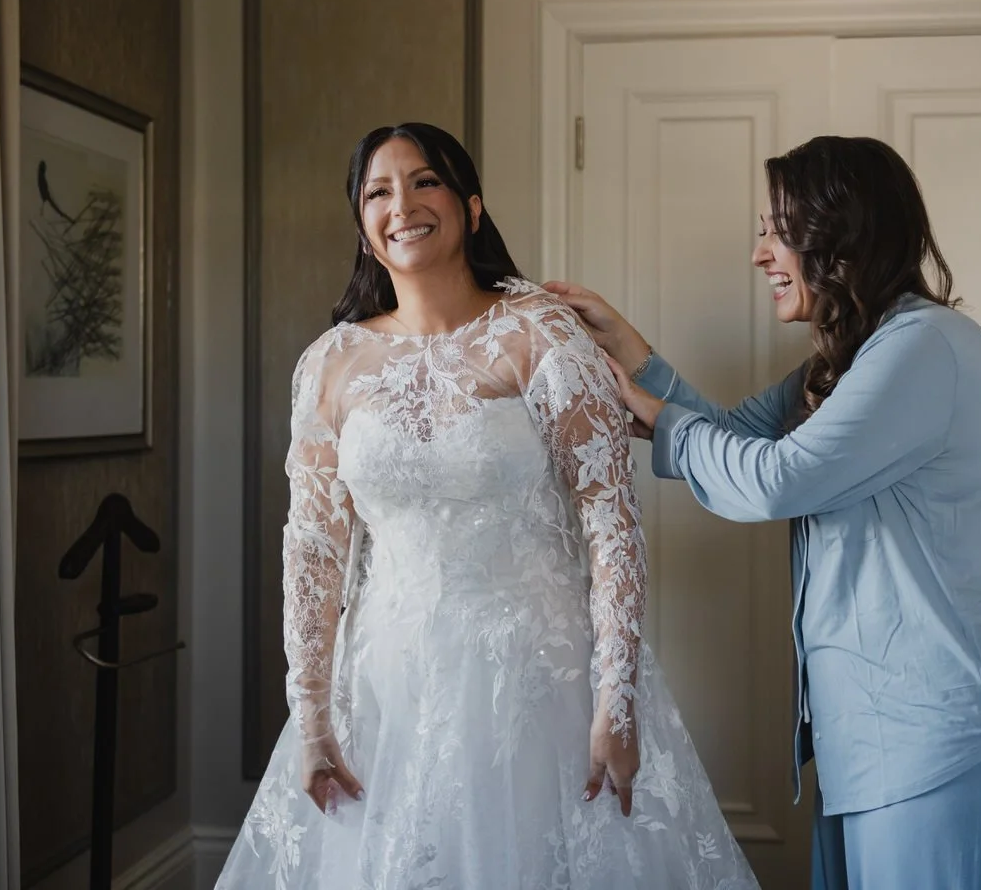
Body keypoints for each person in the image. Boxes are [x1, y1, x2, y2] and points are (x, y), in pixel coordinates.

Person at [216, 123, 760, 889]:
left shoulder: (541, 336)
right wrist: (310, 715)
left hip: (537, 685)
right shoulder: (331, 364)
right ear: (364, 230)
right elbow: (312, 545)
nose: (402, 205)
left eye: (425, 182)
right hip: (386, 689)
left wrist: (617, 699)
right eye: (378, 192)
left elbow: (612, 524)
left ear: (471, 207)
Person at [547, 135, 981, 890]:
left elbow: (775, 479)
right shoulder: (846, 362)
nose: (759, 253)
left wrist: (658, 416)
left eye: (778, 230)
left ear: (842, 232)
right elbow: (734, 438)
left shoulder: (924, 346)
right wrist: (633, 354)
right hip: (884, 739)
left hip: (955, 738)